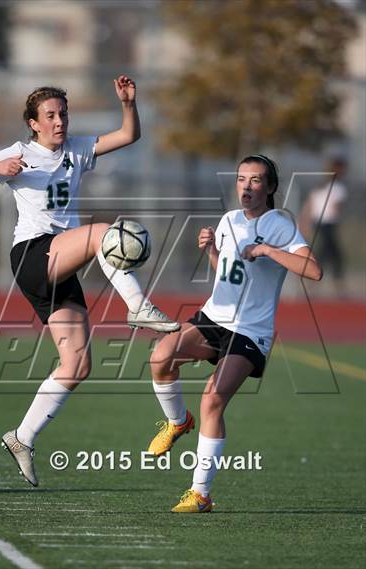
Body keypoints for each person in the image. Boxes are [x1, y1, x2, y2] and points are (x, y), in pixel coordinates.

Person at [0, 75, 180, 487]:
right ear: (33, 123)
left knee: (77, 365)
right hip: (34, 255)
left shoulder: (76, 149)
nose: (60, 122)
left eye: (63, 114)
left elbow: (130, 134)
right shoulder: (20, 152)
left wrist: (128, 103)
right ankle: (138, 307)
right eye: (51, 116)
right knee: (102, 233)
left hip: (63, 262)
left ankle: (21, 438)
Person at [147, 155, 323, 513]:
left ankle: (200, 494)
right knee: (161, 357)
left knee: (212, 399)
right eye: (242, 178)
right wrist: (212, 250)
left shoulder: (280, 225)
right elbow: (227, 273)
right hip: (215, 317)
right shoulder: (228, 219)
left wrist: (268, 250)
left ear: (270, 187)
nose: (246, 185)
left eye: (256, 180)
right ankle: (179, 422)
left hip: (250, 330)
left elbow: (314, 270)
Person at [299, 157, 348, 297]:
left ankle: (331, 286)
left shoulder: (324, 186)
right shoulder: (336, 187)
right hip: (326, 224)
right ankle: (324, 285)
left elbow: (310, 205)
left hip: (322, 223)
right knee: (329, 254)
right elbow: (335, 207)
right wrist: (305, 222)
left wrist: (305, 221)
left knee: (330, 254)